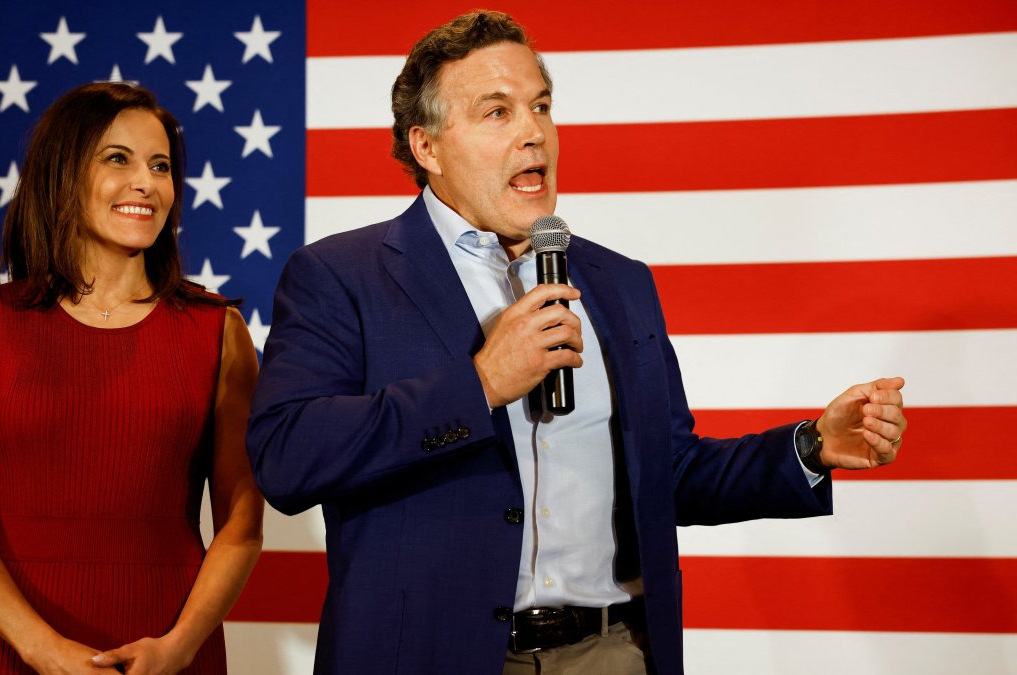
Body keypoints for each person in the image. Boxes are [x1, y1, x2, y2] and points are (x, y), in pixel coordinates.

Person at [246, 10, 907, 675]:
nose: (534, 132)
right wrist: (477, 386)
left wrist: (809, 446)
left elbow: (667, 472)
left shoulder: (617, 282)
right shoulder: (341, 276)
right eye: (496, 113)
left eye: (540, 106)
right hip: (427, 655)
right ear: (428, 146)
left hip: (611, 652)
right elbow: (288, 458)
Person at [0, 82, 264, 675]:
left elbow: (242, 523)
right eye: (117, 159)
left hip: (169, 642)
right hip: (11, 641)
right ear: (62, 174)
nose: (146, 183)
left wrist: (180, 646)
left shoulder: (219, 329)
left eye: (161, 166)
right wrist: (40, 648)